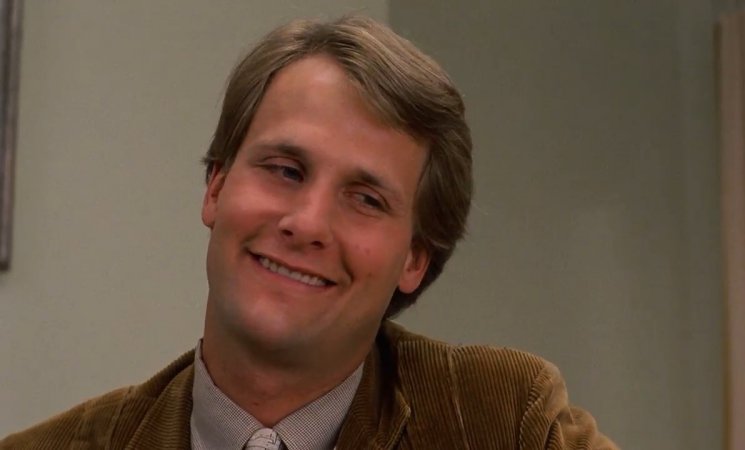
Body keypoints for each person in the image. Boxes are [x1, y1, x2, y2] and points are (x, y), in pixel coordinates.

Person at [1, 16, 616, 449]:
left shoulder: (504, 422)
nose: (307, 224)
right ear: (216, 187)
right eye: (285, 170)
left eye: (366, 199)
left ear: (415, 257)